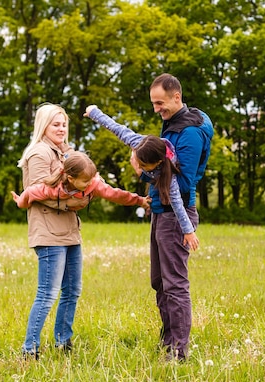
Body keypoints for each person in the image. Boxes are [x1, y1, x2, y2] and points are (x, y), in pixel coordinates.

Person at [90, 72, 213, 362]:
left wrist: (142, 172)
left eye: (160, 103)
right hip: (160, 212)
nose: (156, 109)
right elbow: (124, 133)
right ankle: (168, 339)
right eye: (154, 104)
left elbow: (182, 183)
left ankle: (178, 352)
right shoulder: (171, 125)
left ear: (176, 97)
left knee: (174, 283)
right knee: (159, 281)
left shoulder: (190, 132)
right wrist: (95, 113)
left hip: (177, 214)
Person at [15, 103, 83, 360]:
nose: (62, 128)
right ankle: (29, 349)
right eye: (56, 124)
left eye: (64, 124)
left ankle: (63, 343)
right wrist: (73, 199)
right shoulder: (39, 153)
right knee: (47, 293)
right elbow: (38, 191)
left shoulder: (65, 153)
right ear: (44, 126)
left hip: (70, 231)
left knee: (72, 290)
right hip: (48, 233)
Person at [84, 106, 199, 251]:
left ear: (158, 163)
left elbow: (177, 205)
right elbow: (115, 127)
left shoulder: (170, 178)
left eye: (143, 165)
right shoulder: (137, 142)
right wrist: (94, 113)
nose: (137, 166)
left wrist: (188, 231)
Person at [11, 150, 150, 211]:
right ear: (70, 178)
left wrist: (140, 200)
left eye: (91, 179)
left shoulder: (94, 184)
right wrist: (21, 203)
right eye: (85, 181)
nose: (90, 183)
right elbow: (30, 192)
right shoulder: (53, 189)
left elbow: (116, 194)